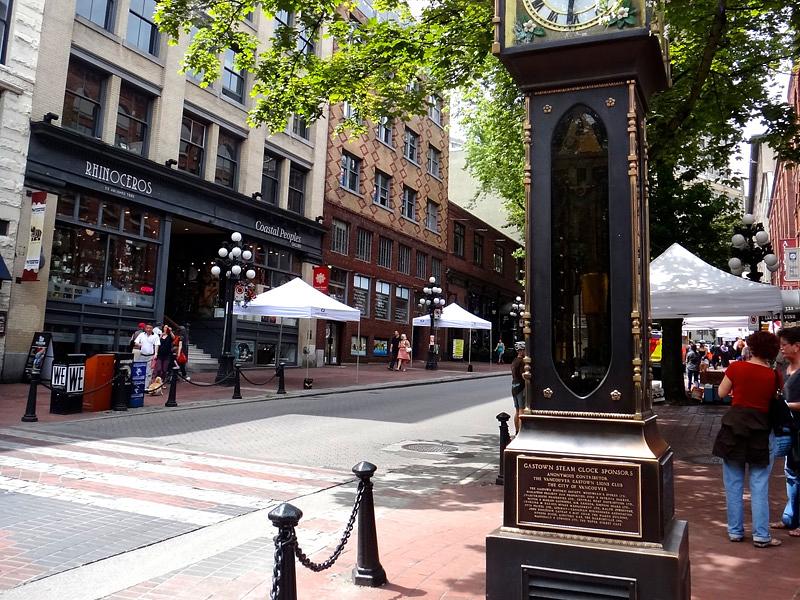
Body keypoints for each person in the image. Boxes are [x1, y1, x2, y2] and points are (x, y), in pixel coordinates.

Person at [713, 331, 782, 547]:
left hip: (734, 428)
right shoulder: (773, 375)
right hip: (761, 430)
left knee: (733, 483)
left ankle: (735, 531)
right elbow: (773, 399)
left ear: (751, 347)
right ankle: (761, 535)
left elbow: (721, 393)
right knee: (759, 484)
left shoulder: (736, 368)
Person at [771, 327, 800, 537]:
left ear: (797, 346)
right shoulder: (782, 368)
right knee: (791, 473)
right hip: (788, 430)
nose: (781, 348)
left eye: (784, 345)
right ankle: (790, 518)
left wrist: (785, 406)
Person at [510, 341, 526, 434]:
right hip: (521, 387)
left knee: (517, 411)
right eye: (524, 350)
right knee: (521, 411)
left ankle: (516, 431)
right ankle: (521, 433)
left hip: (514, 387)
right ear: (521, 350)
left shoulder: (514, 361)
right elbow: (523, 375)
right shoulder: (522, 361)